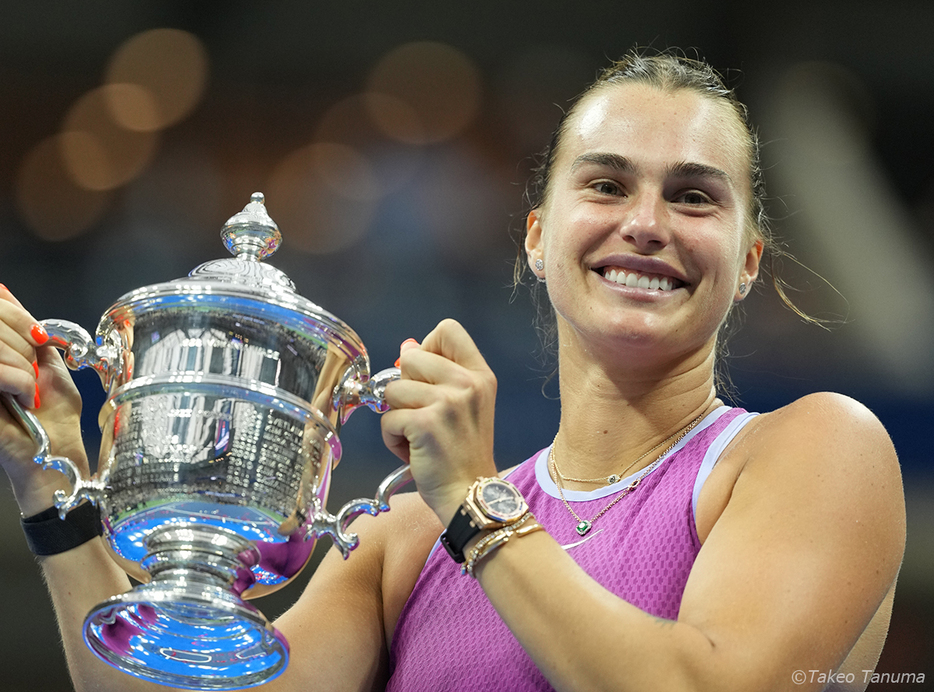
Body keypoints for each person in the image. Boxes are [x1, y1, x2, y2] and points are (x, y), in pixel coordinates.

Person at [0, 49, 906, 692]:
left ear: (749, 260)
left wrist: (477, 505)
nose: (647, 223)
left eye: (695, 195)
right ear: (538, 236)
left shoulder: (819, 450)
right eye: (605, 184)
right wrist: (52, 469)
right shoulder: (403, 541)